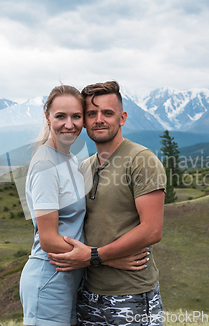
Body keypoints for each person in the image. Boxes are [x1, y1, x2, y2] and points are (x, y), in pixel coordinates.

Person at [19, 84, 148, 326]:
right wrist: (105, 259)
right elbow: (47, 240)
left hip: (70, 278)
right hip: (49, 278)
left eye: (76, 116)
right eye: (61, 116)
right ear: (47, 117)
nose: (69, 124)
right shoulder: (46, 164)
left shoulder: (68, 160)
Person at [48, 81, 167, 326]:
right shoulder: (85, 166)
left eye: (107, 113)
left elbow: (152, 230)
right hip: (88, 294)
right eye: (92, 113)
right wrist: (100, 259)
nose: (99, 119)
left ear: (122, 118)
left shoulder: (142, 160)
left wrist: (94, 255)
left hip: (131, 294)